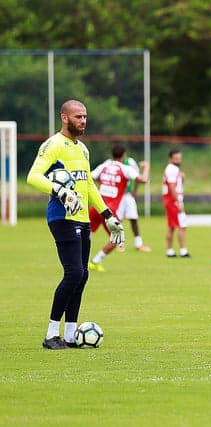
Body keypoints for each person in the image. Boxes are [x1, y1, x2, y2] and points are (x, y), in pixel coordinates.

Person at [26, 99, 124, 350]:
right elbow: (33, 177)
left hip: (81, 219)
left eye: (85, 116)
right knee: (74, 273)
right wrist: (59, 190)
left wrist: (108, 215)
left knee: (82, 276)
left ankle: (70, 335)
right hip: (61, 217)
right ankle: (50, 335)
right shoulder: (54, 145)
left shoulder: (82, 149)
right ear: (64, 118)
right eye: (78, 116)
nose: (83, 120)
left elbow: (89, 185)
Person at [87, 144, 150, 272]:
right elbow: (143, 179)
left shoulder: (104, 166)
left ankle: (79, 262)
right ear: (124, 155)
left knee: (85, 234)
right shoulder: (125, 169)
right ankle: (95, 262)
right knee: (117, 239)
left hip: (96, 206)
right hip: (108, 212)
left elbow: (89, 177)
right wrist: (147, 167)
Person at [116, 153, 152, 252]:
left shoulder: (130, 162)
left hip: (128, 195)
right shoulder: (112, 164)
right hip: (117, 196)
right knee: (117, 220)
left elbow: (137, 176)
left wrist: (135, 189)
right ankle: (120, 244)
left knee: (133, 218)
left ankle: (138, 244)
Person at [163, 149, 189, 258]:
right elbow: (172, 186)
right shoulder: (172, 169)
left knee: (172, 226)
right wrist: (178, 202)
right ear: (171, 159)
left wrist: (182, 178)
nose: (178, 160)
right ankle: (183, 251)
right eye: (176, 158)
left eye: (179, 158)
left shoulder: (173, 169)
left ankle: (170, 250)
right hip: (173, 201)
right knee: (182, 225)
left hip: (170, 200)